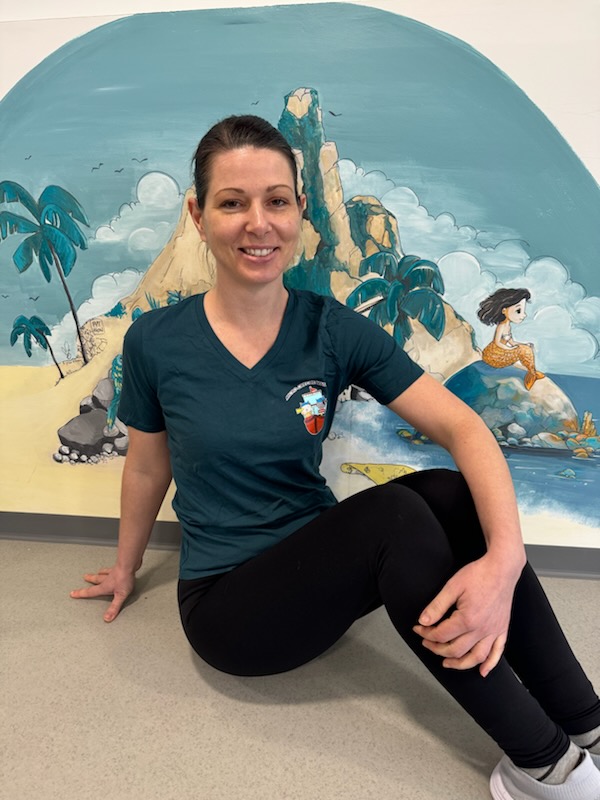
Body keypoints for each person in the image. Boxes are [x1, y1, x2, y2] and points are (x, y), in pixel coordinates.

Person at [71, 115, 600, 800]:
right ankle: (550, 768)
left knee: (446, 492)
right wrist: (125, 566)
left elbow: (464, 429)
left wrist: (504, 560)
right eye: (232, 203)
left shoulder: (331, 328)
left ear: (300, 210)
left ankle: (588, 724)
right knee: (394, 520)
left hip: (318, 573)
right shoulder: (155, 341)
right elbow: (148, 465)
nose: (258, 223)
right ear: (199, 216)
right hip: (231, 610)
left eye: (276, 201)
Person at [478, 288, 545, 390]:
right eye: (518, 311)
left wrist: (523, 345)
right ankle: (532, 374)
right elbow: (497, 342)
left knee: (526, 348)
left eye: (523, 311)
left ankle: (532, 373)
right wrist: (509, 349)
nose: (524, 315)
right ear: (504, 310)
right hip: (493, 355)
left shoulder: (508, 326)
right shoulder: (501, 326)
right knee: (523, 350)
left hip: (502, 351)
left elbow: (511, 342)